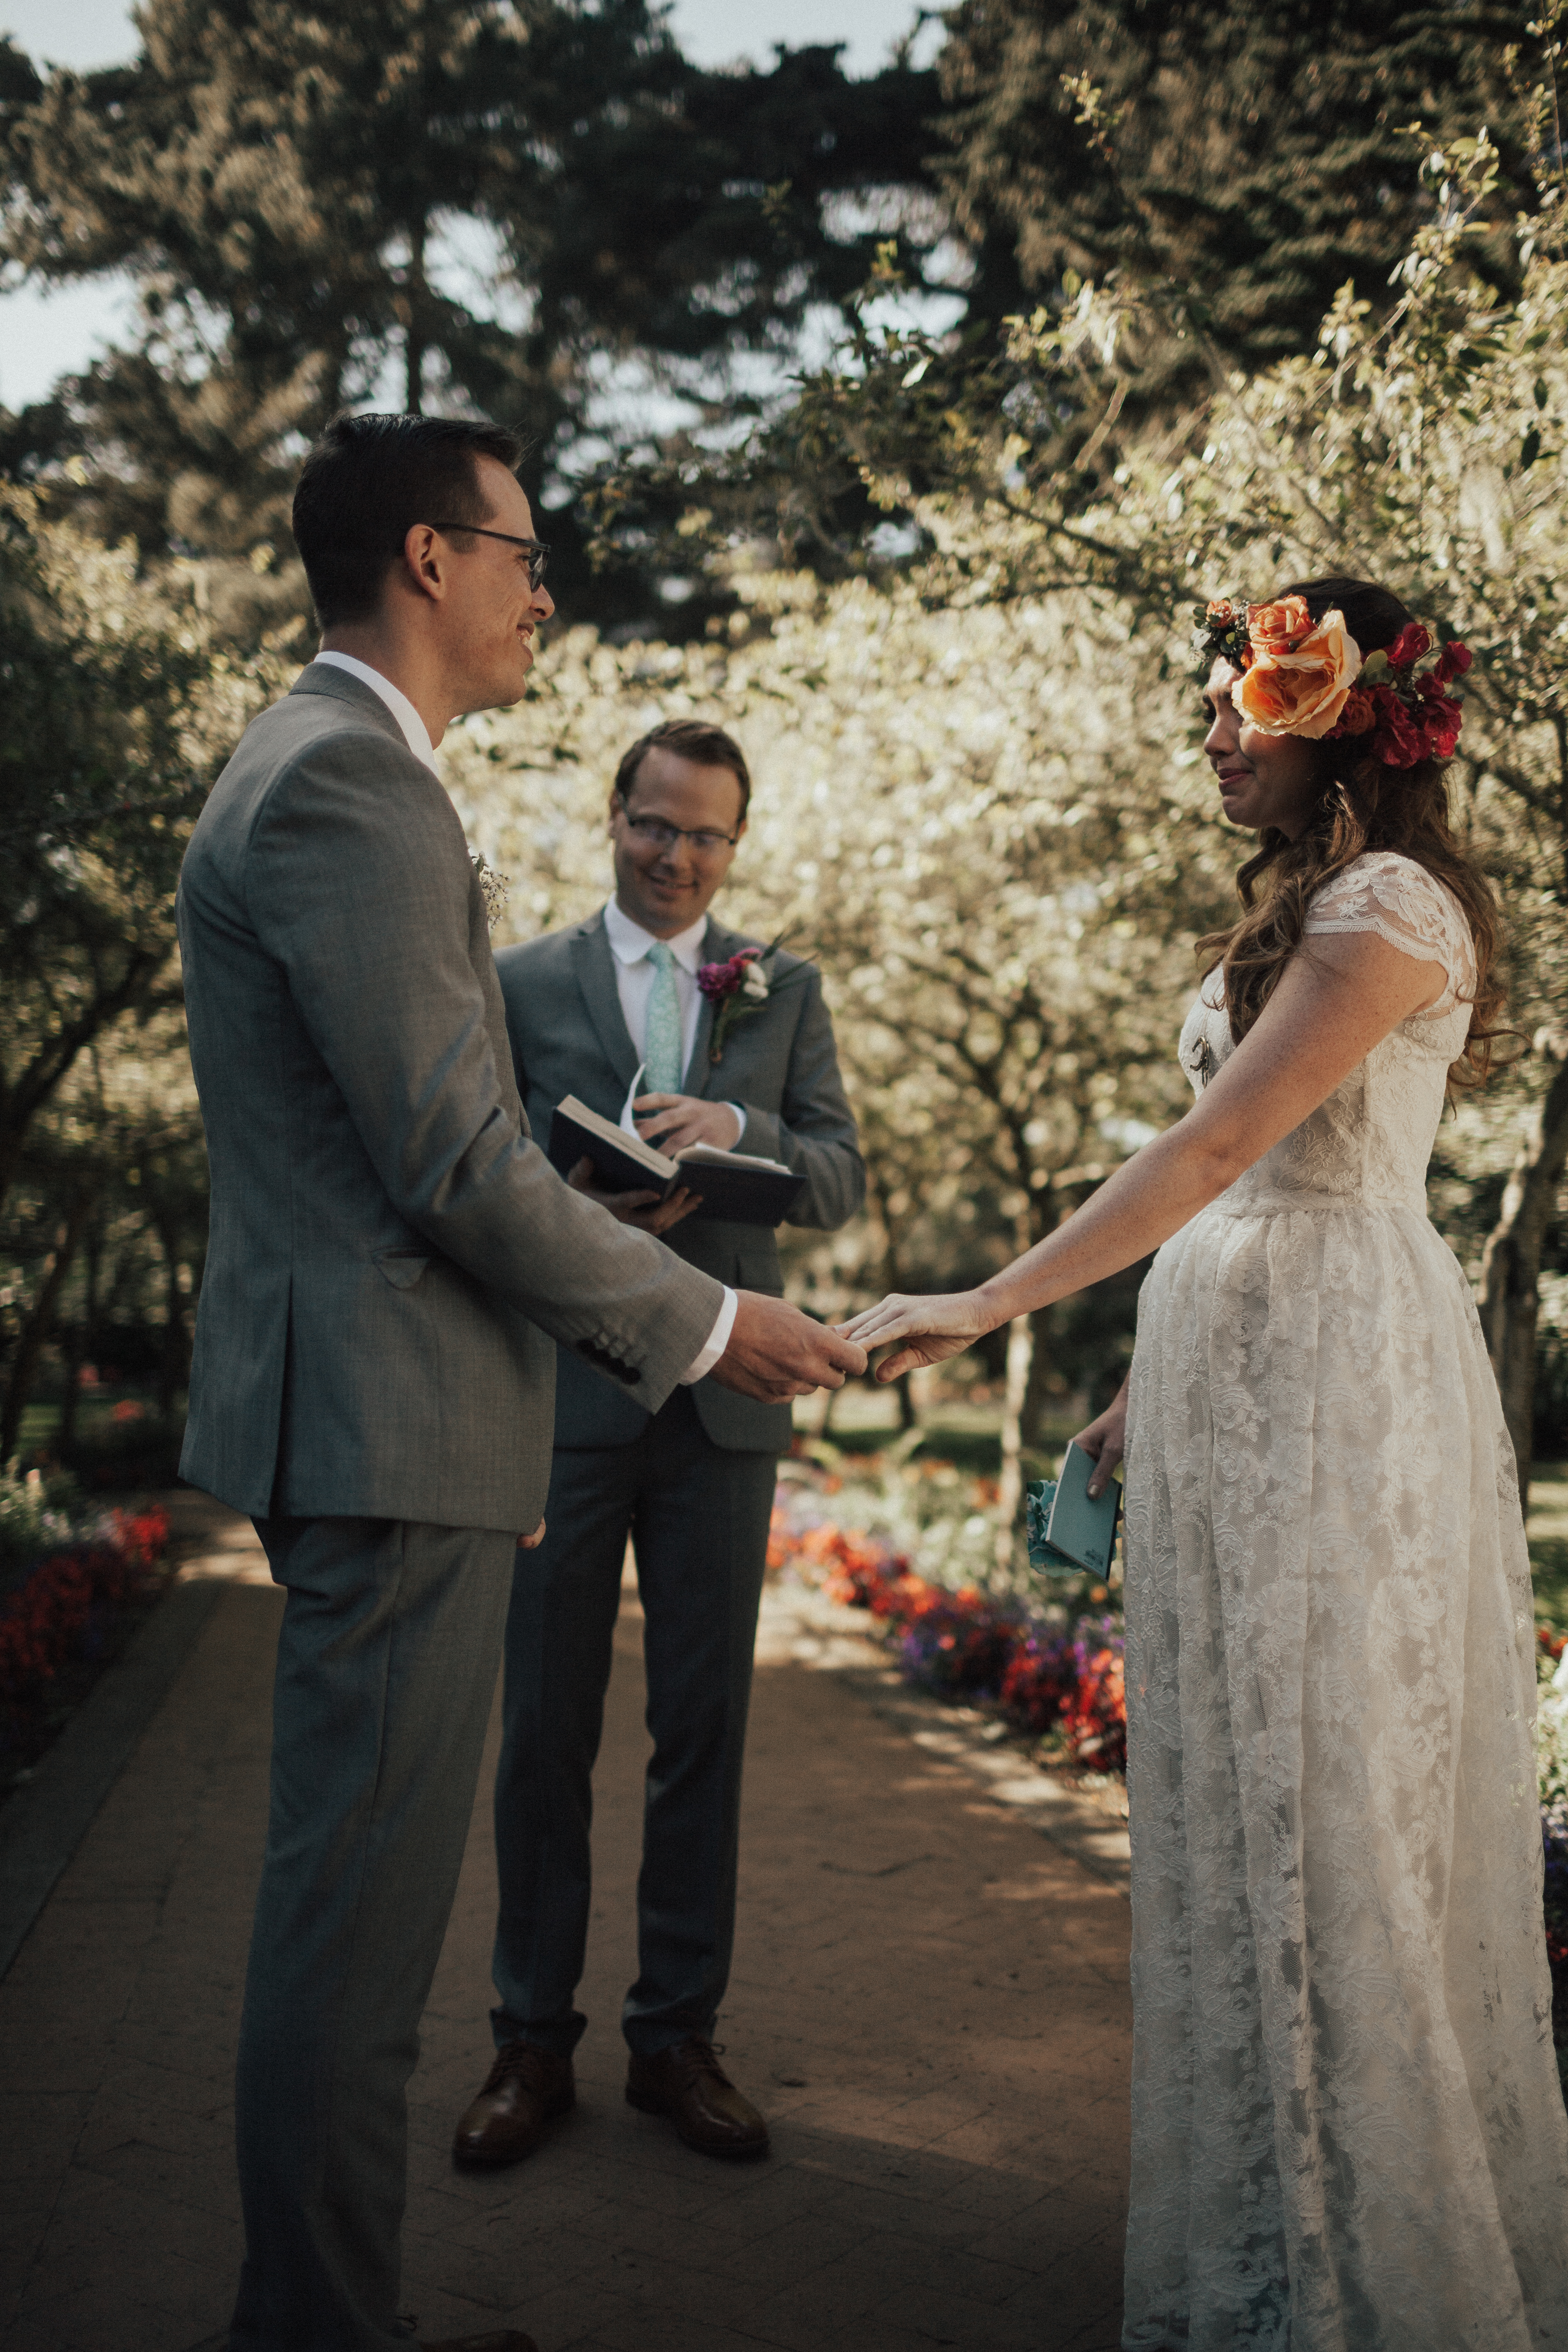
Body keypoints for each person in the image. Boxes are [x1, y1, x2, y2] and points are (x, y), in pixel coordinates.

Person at [176, 410, 865, 2352]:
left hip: (407, 1420)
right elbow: (452, 1168)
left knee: (362, 1921)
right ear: (425, 558)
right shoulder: (348, 787)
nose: (540, 590)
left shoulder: (336, 772)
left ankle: (321, 2309)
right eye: (521, 551)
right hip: (392, 1431)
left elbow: (429, 1141)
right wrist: (717, 1318)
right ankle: (316, 2326)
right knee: (355, 1938)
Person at [841, 578, 1568, 2349]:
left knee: (1331, 1819)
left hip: (1339, 1388)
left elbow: (1226, 1138)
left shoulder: (1391, 902)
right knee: (1242, 1816)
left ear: (1341, 716)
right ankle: (1266, 2221)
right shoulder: (1308, 907)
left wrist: (996, 1297)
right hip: (1238, 1378)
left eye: (1246, 702)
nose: (1217, 737)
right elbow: (1246, 1182)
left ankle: (1366, 2284)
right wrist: (1121, 1393)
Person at [450, 719, 864, 2172]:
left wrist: (737, 1121)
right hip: (563, 1398)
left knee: (703, 1733)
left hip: (725, 1413)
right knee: (543, 1735)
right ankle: (527, 2043)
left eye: (708, 837)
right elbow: (487, 1168)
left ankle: (676, 2040)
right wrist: (594, 1218)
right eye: (656, 826)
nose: (680, 858)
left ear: (737, 845)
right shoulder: (516, 984)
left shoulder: (782, 988)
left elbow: (836, 1174)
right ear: (612, 818)